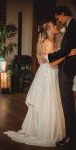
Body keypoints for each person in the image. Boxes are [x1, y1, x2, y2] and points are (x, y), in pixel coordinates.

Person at [4, 20, 66, 147]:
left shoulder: (49, 42)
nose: (56, 27)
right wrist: (66, 54)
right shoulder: (48, 43)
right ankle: (47, 131)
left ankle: (44, 128)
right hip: (48, 73)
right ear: (49, 30)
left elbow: (47, 59)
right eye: (53, 26)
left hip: (47, 73)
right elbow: (53, 63)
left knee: (46, 101)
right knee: (48, 101)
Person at [41, 6, 76, 147]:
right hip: (67, 67)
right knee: (68, 102)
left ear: (62, 14)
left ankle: (71, 137)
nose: (58, 21)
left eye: (58, 18)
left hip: (68, 70)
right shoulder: (71, 26)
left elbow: (66, 49)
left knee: (67, 103)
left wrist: (49, 57)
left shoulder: (73, 26)